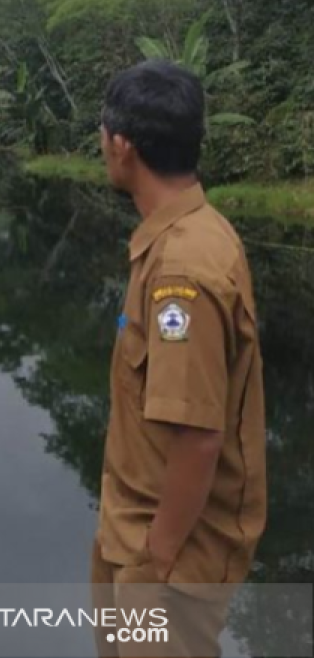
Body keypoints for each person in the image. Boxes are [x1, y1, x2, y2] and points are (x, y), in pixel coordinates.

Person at [90, 61, 266, 657]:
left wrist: (153, 566)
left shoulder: (182, 272)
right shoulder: (182, 236)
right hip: (132, 527)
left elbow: (197, 438)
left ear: (122, 146)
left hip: (166, 553)